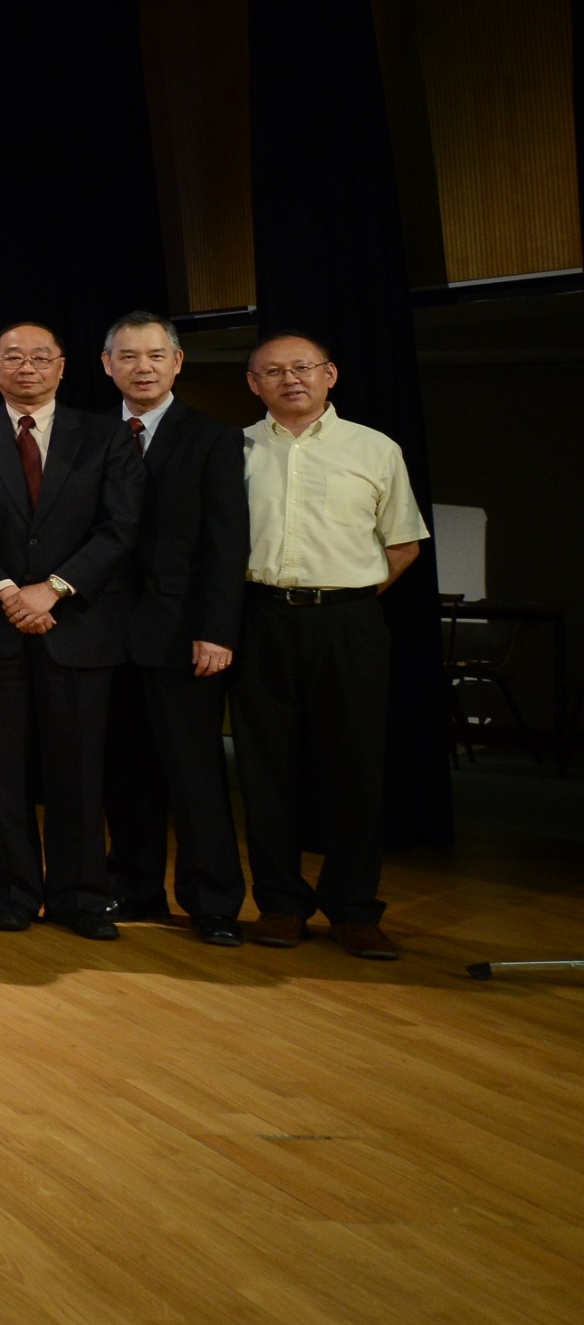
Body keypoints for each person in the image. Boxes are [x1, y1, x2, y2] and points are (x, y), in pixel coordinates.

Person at [234, 329, 427, 960]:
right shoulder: (232, 451)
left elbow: (402, 545)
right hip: (259, 619)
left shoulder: (375, 449)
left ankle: (353, 908)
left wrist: (343, 600)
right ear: (253, 383)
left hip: (348, 625)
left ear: (330, 375)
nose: (291, 379)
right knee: (266, 770)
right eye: (274, 371)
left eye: (304, 368)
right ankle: (281, 904)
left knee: (354, 768)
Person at [0, 320, 141, 938]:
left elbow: (120, 529)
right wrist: (8, 590)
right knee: (2, 774)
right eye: (13, 357)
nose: (27, 367)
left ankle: (82, 896)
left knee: (80, 774)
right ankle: (11, 894)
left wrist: (53, 588)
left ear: (64, 366)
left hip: (78, 626)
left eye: (40, 357)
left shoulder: (107, 436)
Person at [102, 311, 249, 947]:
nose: (143, 367)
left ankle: (212, 900)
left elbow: (226, 543)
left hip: (184, 634)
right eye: (128, 356)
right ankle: (135, 887)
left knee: (195, 775)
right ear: (107, 364)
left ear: (177, 363)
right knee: (125, 772)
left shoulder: (214, 439)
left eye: (155, 356)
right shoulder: (87, 435)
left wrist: (217, 630)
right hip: (103, 634)